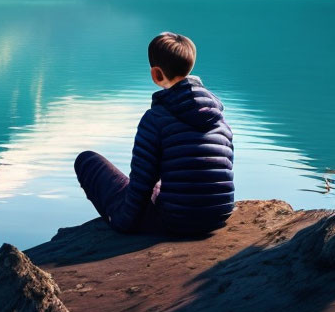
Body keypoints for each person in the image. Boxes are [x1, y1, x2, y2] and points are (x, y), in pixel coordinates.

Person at [74, 32, 234, 235]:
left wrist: (124, 222)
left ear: (156, 74)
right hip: (218, 217)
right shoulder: (219, 116)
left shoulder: (155, 118)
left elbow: (141, 185)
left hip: (175, 221)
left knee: (87, 161)